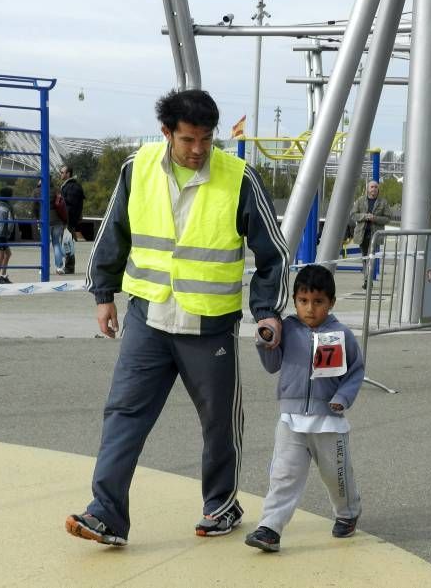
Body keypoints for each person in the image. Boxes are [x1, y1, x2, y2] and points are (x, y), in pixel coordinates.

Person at [65, 89, 289, 547]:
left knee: (219, 423)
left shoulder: (239, 177)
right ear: (166, 133)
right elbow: (114, 232)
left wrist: (267, 311)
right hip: (147, 318)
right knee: (123, 413)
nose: (199, 150)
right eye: (188, 139)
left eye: (206, 139)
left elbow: (274, 254)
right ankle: (105, 514)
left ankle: (221, 505)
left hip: (209, 325)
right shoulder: (137, 168)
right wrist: (103, 293)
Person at [245, 265, 363, 553]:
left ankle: (347, 513)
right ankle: (270, 528)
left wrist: (342, 398)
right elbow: (272, 366)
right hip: (290, 421)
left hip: (329, 423)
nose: (310, 309)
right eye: (303, 301)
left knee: (336, 476)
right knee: (283, 475)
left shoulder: (341, 334)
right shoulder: (287, 329)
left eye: (319, 302)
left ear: (331, 303)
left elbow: (356, 372)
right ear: (295, 300)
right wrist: (264, 342)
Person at [351, 180, 391, 290]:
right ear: (368, 189)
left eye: (376, 187)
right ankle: (366, 279)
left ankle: (368, 281)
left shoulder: (383, 202)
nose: (374, 189)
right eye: (372, 187)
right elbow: (353, 215)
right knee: (364, 258)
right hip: (362, 234)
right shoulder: (360, 201)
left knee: (370, 258)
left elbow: (388, 218)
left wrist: (375, 218)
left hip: (375, 235)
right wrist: (364, 216)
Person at [32, 180, 67, 274]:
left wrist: (36, 218)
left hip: (44, 220)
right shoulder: (56, 190)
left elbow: (35, 207)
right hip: (57, 220)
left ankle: (44, 266)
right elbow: (62, 204)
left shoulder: (36, 191)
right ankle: (59, 267)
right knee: (56, 243)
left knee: (45, 244)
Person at [59, 164, 85, 273]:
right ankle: (69, 266)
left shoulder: (72, 187)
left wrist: (65, 219)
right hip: (68, 219)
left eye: (62, 172)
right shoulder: (69, 186)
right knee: (67, 242)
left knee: (67, 242)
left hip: (68, 220)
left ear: (68, 174)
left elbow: (70, 205)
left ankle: (69, 267)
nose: (60, 174)